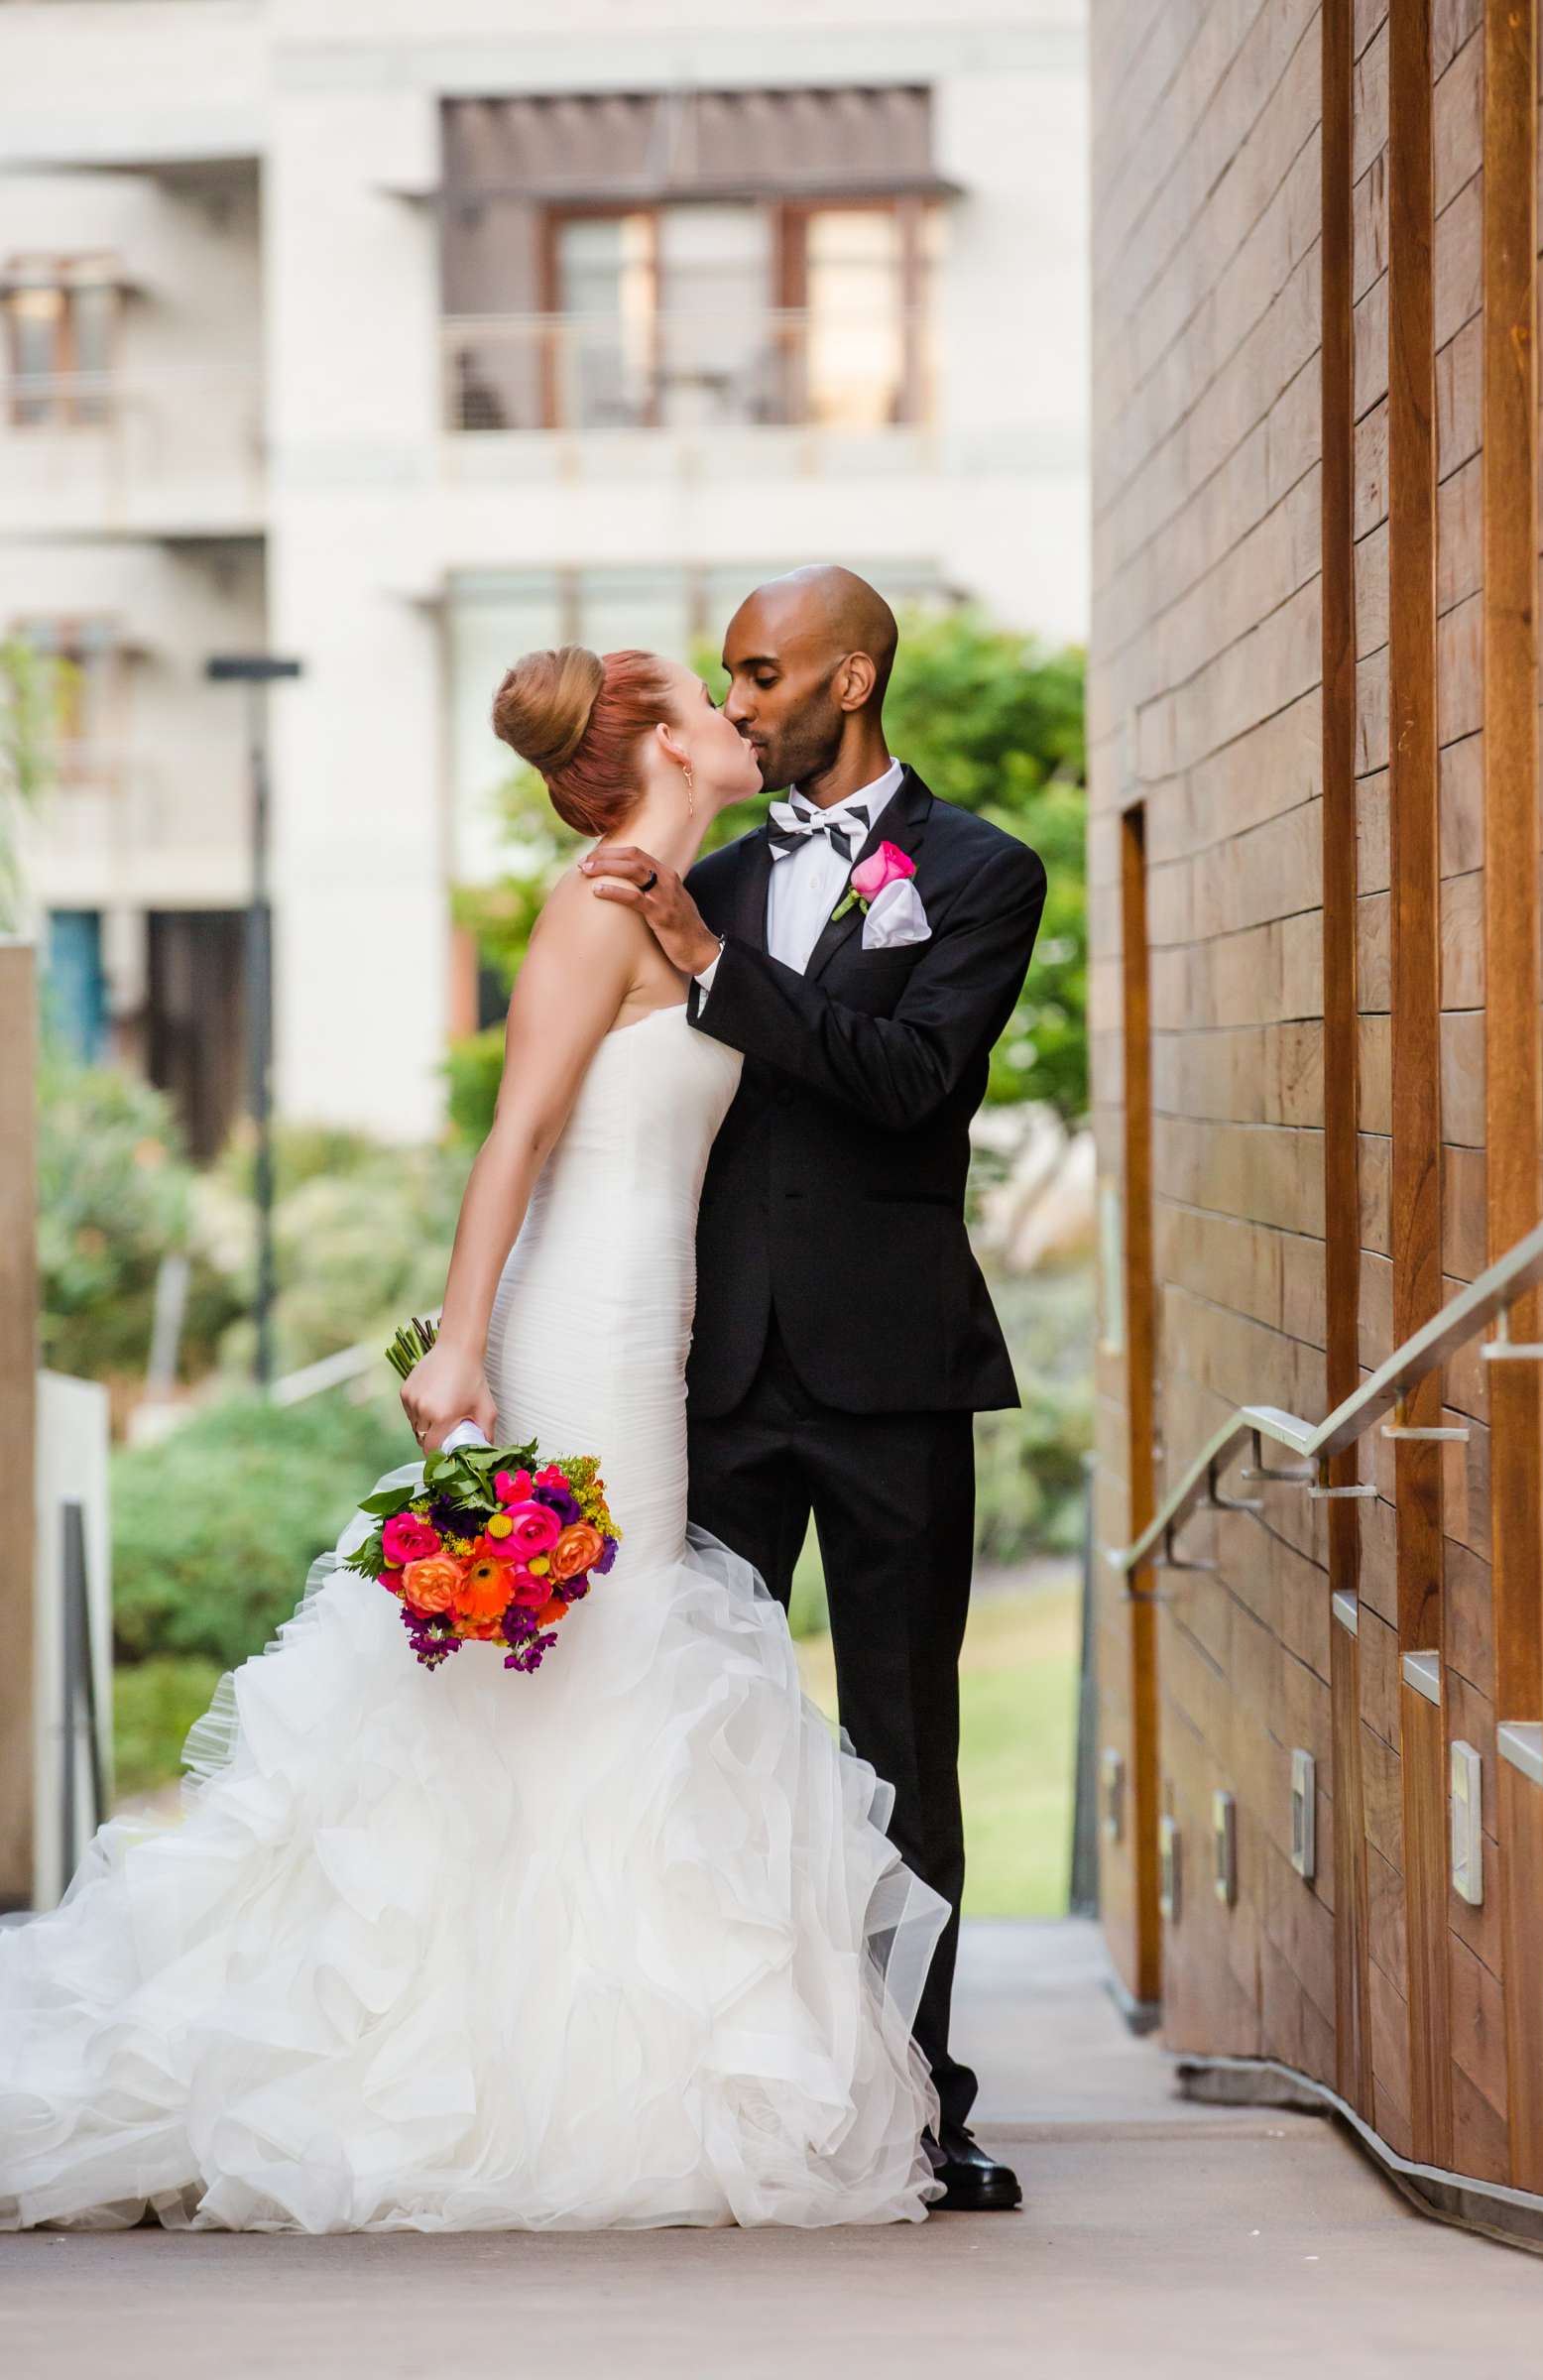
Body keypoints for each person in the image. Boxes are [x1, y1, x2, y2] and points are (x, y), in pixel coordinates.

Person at [0, 644, 948, 2234]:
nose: (741, 721)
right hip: (582, 1316)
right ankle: (499, 2061)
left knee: (604, 1657)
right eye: (712, 706)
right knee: (598, 1644)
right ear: (653, 744)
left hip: (654, 1317)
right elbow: (514, 1131)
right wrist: (458, 1341)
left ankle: (571, 2039)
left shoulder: (670, 901)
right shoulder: (595, 909)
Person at [584, 566, 1047, 2212]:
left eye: (763, 673)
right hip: (715, 1380)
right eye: (730, 676)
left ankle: (920, 2108)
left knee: (904, 1747)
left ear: (851, 680)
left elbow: (917, 1082)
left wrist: (714, 961)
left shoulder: (985, 870)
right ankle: (718, 2092)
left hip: (894, 1372)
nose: (742, 700)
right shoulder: (698, 874)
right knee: (705, 1739)